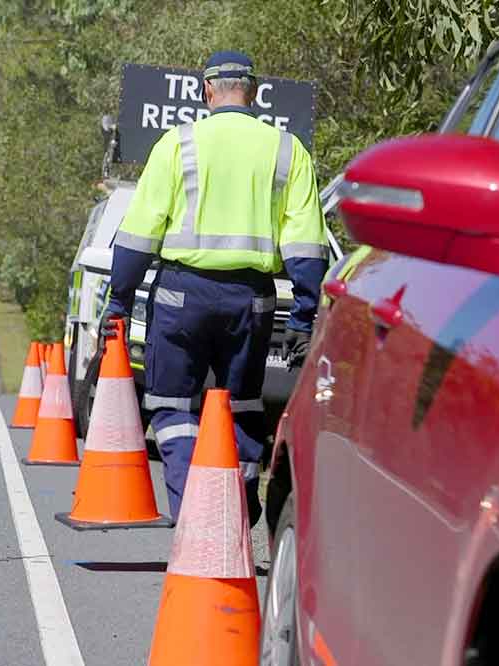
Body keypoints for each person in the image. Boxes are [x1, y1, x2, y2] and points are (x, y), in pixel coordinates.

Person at [100, 50, 328, 525]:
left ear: (206, 91)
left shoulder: (177, 144)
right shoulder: (287, 151)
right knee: (240, 406)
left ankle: (192, 513)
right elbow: (306, 245)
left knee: (172, 406)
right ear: (254, 92)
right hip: (252, 300)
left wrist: (117, 302)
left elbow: (138, 236)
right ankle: (236, 512)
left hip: (181, 296)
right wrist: (304, 318)